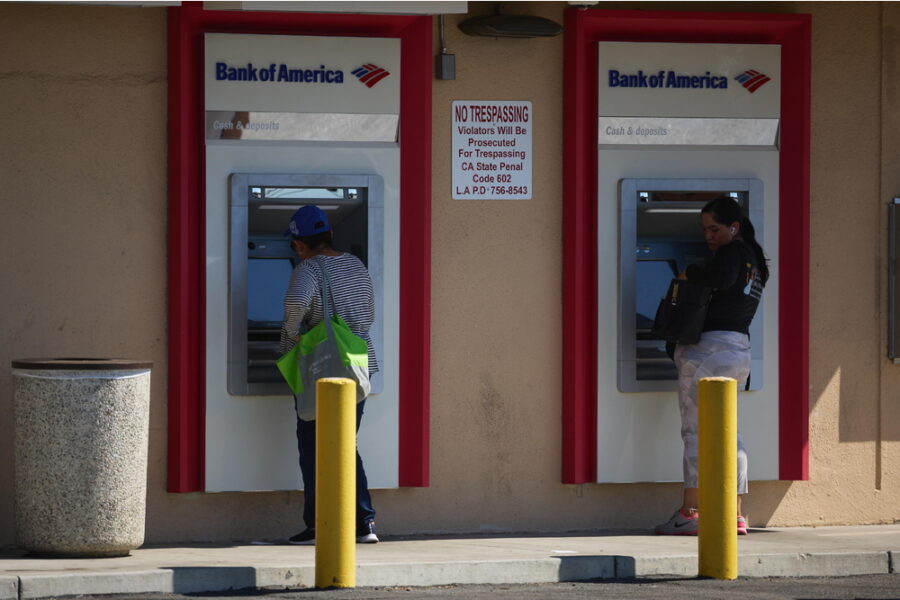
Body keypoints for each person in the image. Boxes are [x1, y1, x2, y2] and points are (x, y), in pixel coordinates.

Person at [654, 196, 768, 536]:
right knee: (730, 435)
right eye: (705, 229)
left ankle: (691, 511)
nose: (708, 236)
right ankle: (735, 514)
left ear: (734, 227)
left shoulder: (732, 254)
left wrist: (691, 272)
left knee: (695, 432)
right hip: (737, 350)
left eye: (715, 229)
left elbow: (719, 277)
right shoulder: (756, 261)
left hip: (708, 350)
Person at [279, 204, 378, 545]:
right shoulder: (355, 264)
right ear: (331, 234)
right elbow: (369, 312)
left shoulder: (307, 270)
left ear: (297, 244)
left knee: (313, 445)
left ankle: (318, 525)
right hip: (357, 363)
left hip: (321, 368)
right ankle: (363, 524)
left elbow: (295, 306)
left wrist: (291, 338)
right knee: (346, 442)